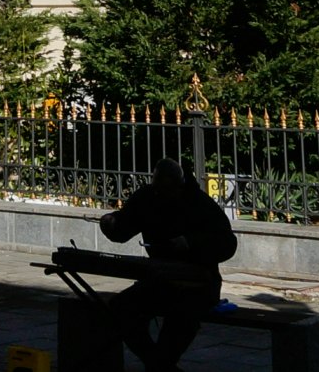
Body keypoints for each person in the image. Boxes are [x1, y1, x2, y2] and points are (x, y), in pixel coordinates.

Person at [98, 157, 236, 371]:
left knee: (180, 318)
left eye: (169, 191)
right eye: (159, 190)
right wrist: (111, 223)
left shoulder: (198, 202)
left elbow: (227, 243)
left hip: (197, 284)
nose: (163, 196)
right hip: (160, 280)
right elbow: (124, 227)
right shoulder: (148, 198)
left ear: (179, 187)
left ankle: (159, 365)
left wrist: (190, 243)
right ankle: (159, 365)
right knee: (120, 308)